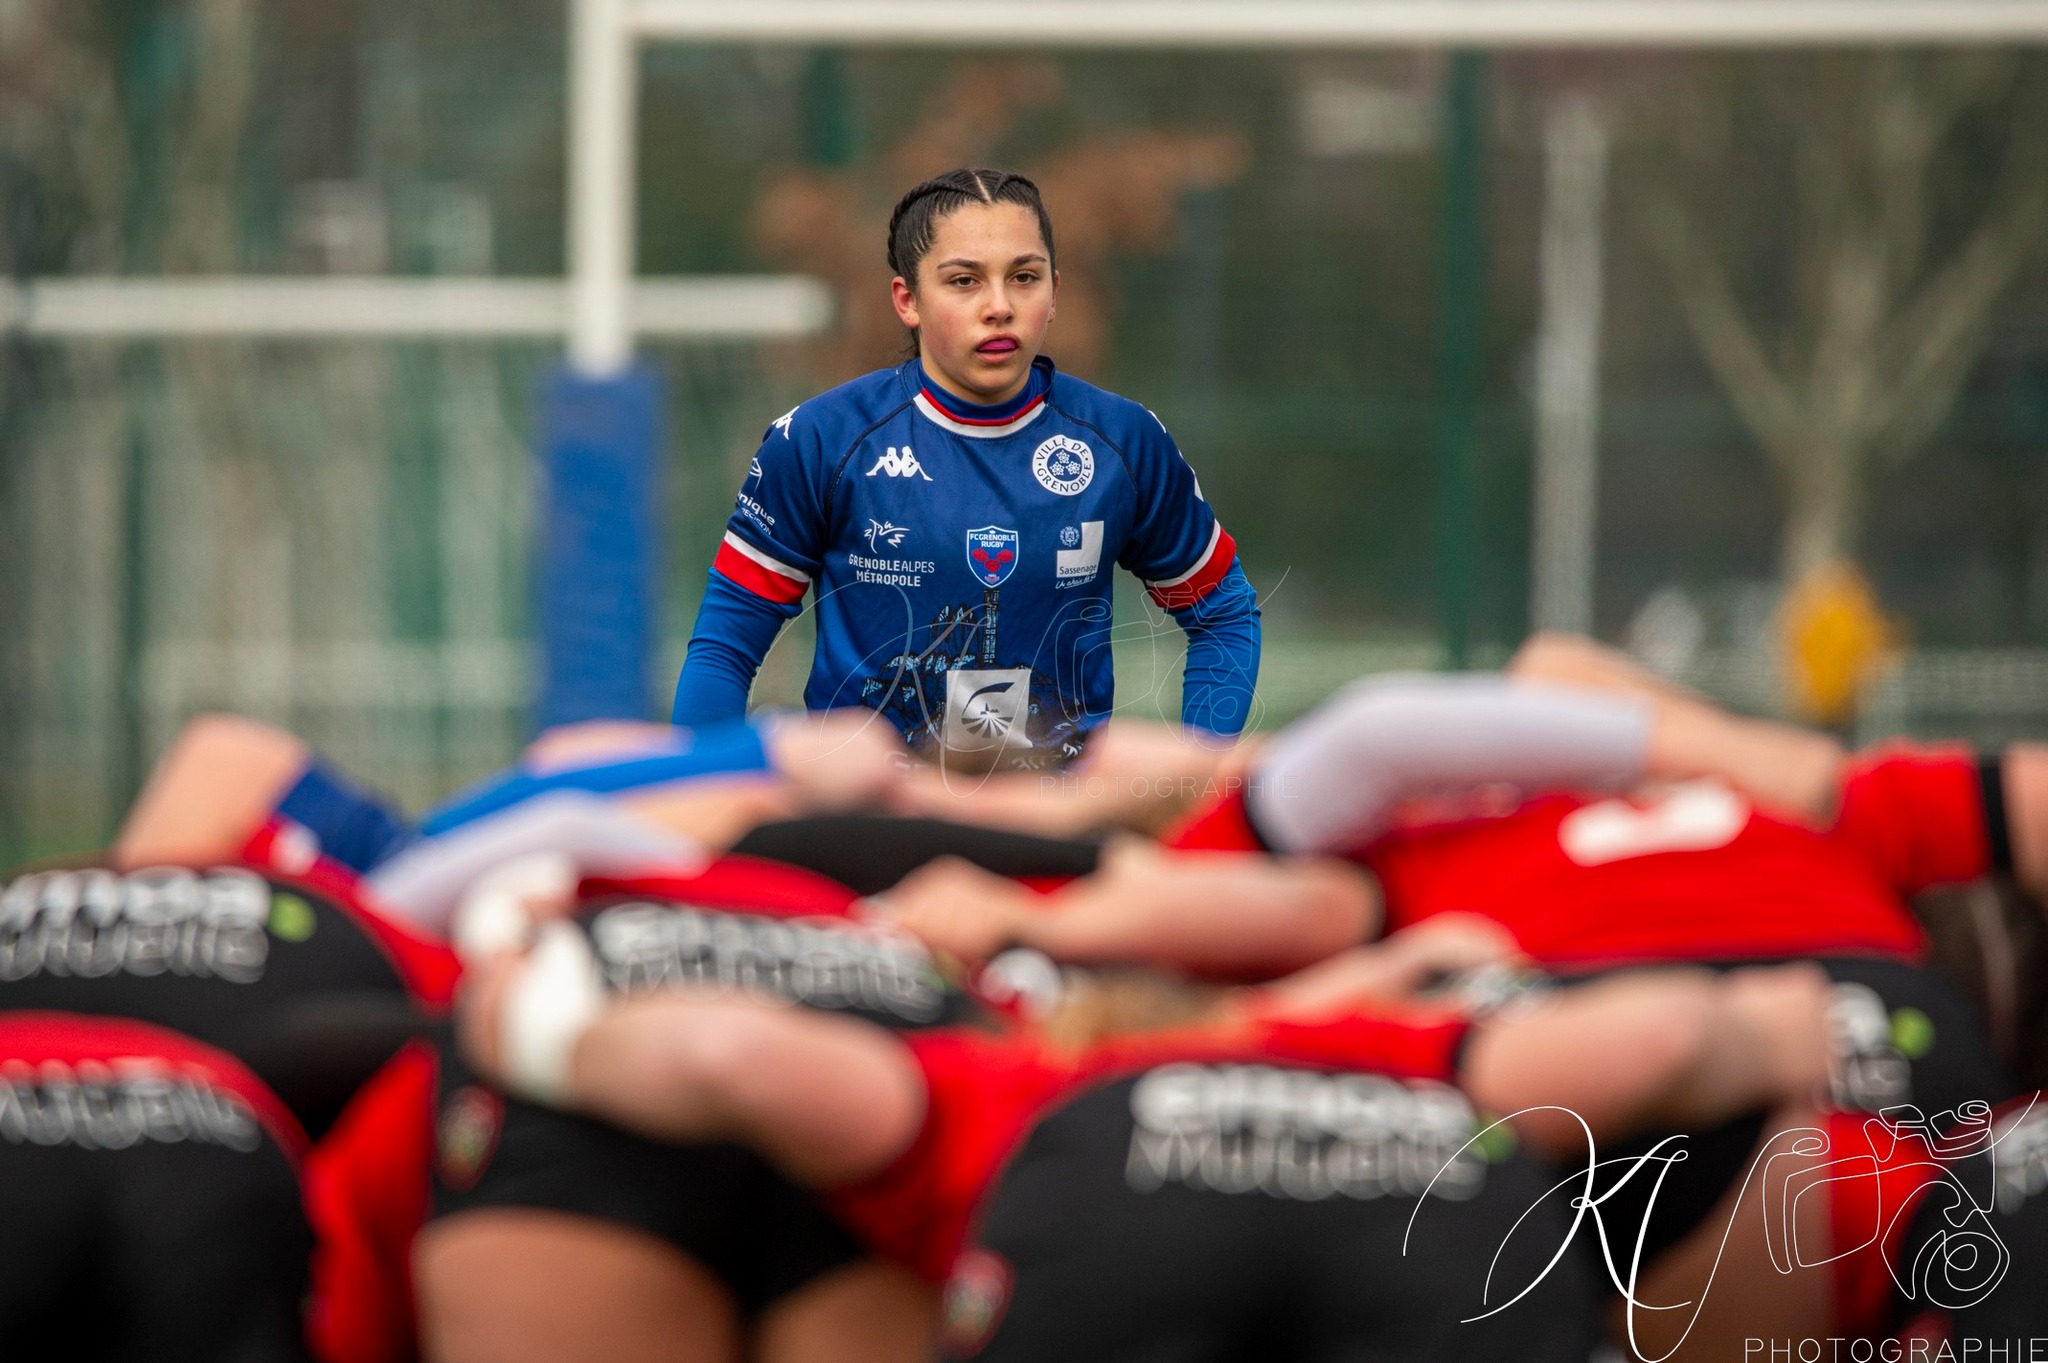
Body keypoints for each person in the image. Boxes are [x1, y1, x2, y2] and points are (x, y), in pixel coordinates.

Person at [671, 168, 1261, 768]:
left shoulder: (1124, 441)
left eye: (1024, 278)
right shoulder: (822, 440)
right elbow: (727, 645)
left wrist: (1196, 778)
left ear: (1054, 293)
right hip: (873, 817)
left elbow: (1224, 614)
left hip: (1053, 821)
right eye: (964, 281)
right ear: (908, 300)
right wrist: (706, 795)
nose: (999, 307)